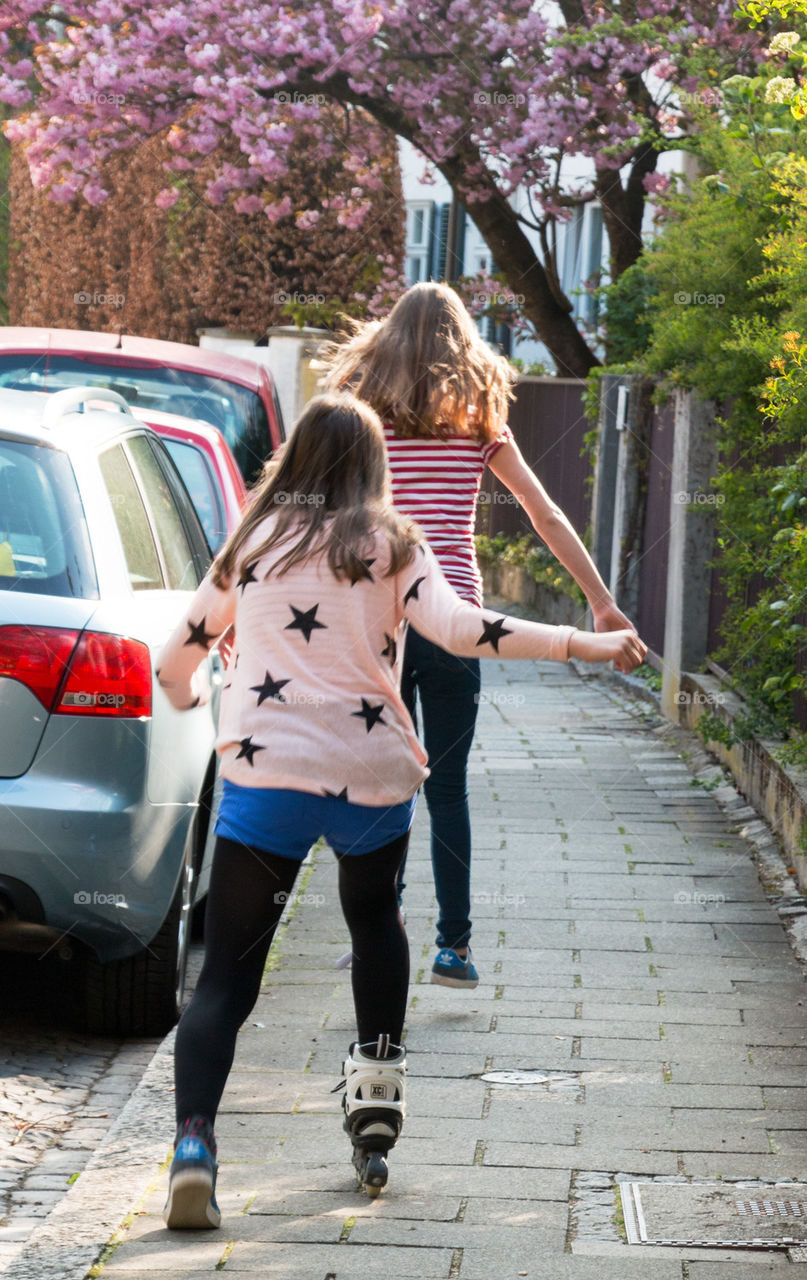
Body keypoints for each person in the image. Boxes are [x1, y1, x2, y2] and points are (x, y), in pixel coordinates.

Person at [154, 391, 646, 1228]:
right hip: (369, 772)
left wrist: (208, 695)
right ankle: (375, 1101)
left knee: (227, 979)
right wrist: (582, 642)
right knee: (375, 920)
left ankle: (194, 1145)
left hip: (267, 775)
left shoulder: (253, 544)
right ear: (371, 468)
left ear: (295, 462)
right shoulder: (393, 543)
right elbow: (460, 629)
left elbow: (176, 661)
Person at [323, 282, 639, 989]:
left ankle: (381, 929)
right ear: (460, 340)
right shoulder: (476, 415)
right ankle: (453, 949)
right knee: (448, 785)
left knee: (382, 778)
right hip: (461, 624)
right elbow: (543, 511)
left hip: (379, 619)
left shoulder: (362, 412)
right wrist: (601, 604)